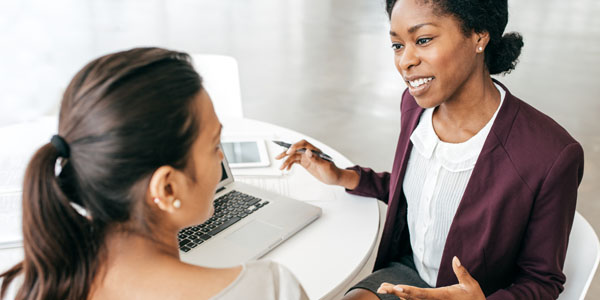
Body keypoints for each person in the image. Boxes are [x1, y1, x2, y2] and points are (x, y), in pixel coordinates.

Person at [276, 0, 584, 299]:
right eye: (397, 45)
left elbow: (542, 281)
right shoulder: (414, 107)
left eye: (422, 40)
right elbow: (423, 196)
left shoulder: (550, 154)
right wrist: (345, 177)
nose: (405, 61)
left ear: (478, 36)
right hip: (406, 275)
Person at [0, 48, 308, 300]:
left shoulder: (21, 288)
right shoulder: (271, 290)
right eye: (215, 145)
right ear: (168, 188)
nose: (222, 159)